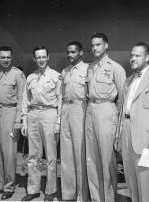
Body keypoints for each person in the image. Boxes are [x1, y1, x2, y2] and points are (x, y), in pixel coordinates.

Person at [116, 42, 149, 202]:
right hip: (127, 133)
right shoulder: (128, 81)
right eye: (131, 55)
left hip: (147, 139)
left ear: (147, 57)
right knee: (131, 181)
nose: (133, 58)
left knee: (147, 183)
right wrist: (118, 136)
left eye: (137, 55)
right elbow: (122, 110)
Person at [85, 33, 126, 201]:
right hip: (90, 110)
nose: (95, 48)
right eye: (93, 45)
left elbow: (122, 99)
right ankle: (96, 198)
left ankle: (109, 198)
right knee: (91, 159)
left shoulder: (116, 68)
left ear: (106, 45)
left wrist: (117, 122)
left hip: (106, 110)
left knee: (107, 159)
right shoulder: (90, 67)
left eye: (98, 45)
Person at [21, 46, 62, 201]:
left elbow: (60, 100)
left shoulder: (56, 76)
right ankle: (33, 189)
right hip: (33, 115)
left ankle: (50, 191)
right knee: (33, 155)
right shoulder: (30, 77)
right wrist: (24, 120)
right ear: (34, 59)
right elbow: (25, 100)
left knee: (51, 155)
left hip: (49, 114)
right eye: (38, 57)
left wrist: (58, 121)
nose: (41, 59)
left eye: (43, 56)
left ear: (48, 57)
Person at [60, 41, 89, 201]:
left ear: (81, 53)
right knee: (66, 155)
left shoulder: (88, 69)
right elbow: (60, 95)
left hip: (80, 110)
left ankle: (81, 195)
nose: (70, 55)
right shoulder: (65, 71)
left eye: (73, 52)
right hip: (66, 110)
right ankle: (68, 194)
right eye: (68, 52)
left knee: (80, 154)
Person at [0, 46, 26, 199]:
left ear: (12, 58)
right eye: (2, 57)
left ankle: (9, 186)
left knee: (9, 152)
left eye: (8, 57)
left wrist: (18, 121)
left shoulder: (18, 74)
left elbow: (22, 99)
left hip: (10, 113)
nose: (5, 59)